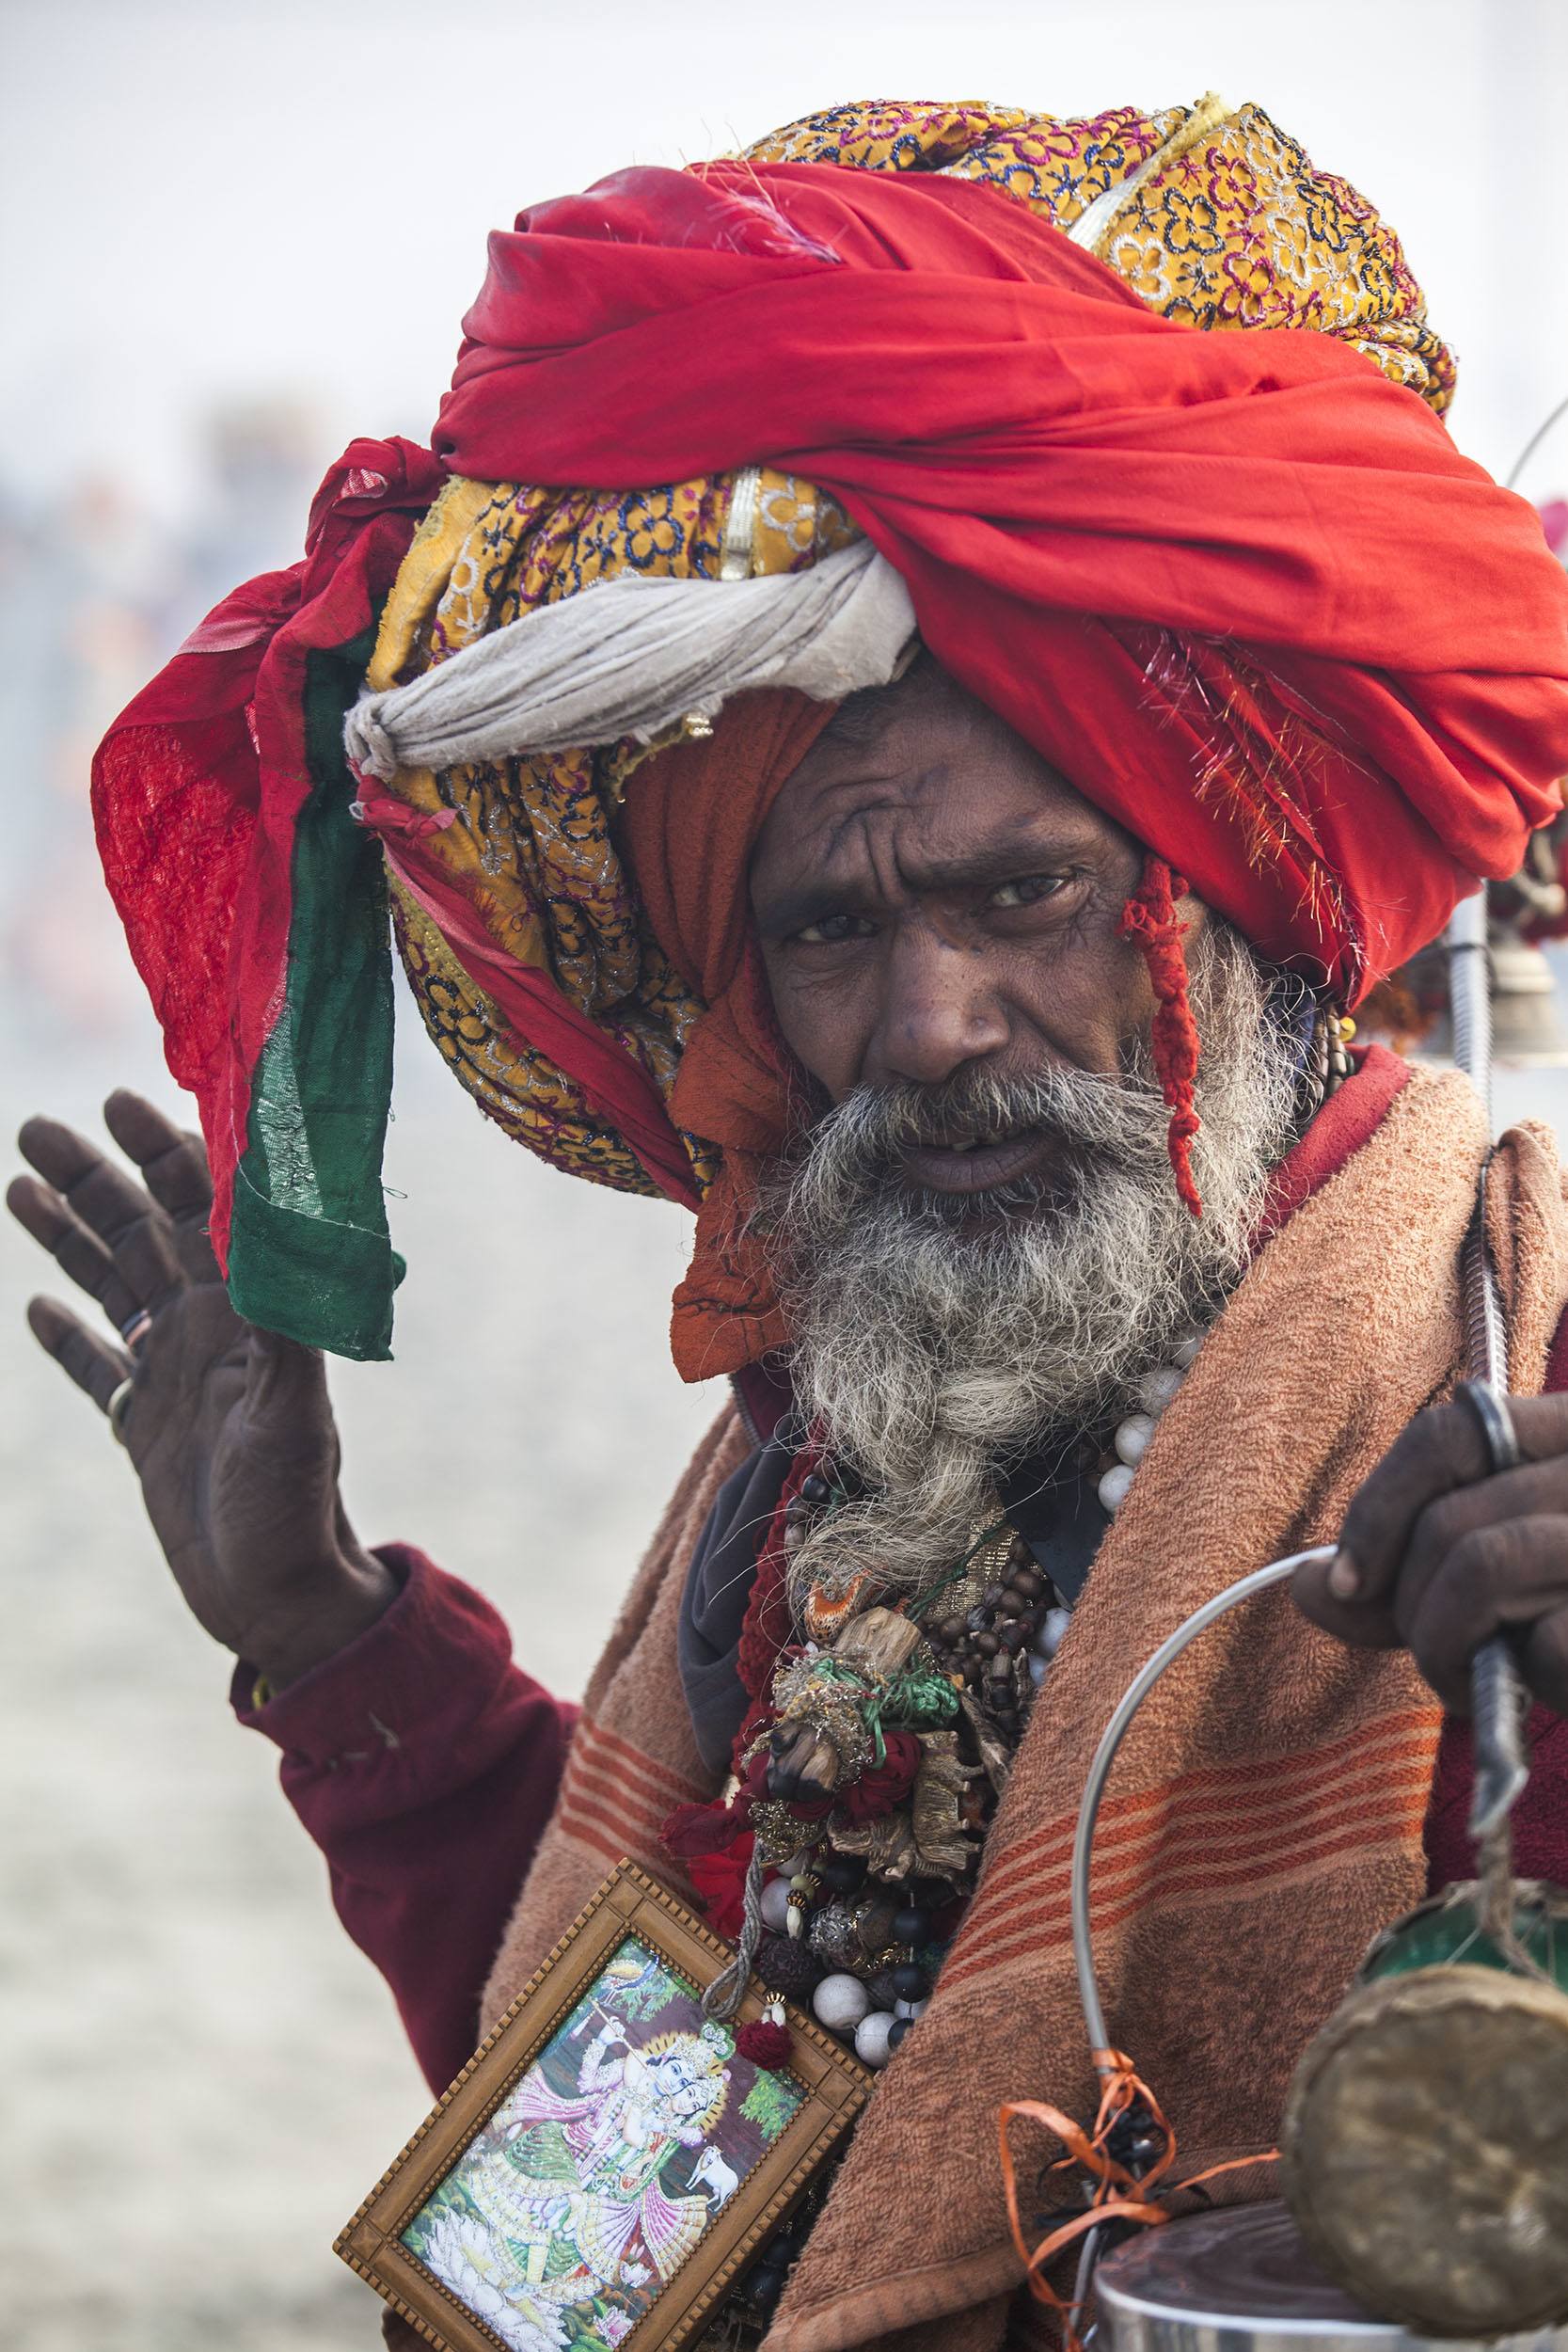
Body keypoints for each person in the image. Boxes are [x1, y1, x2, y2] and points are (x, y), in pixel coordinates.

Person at [13, 92, 1568, 2352]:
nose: (930, 1022)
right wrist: (332, 1634)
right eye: (830, 930)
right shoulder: (847, 1445)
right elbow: (648, 2208)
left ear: (1218, 885)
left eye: (1021, 894)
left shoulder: (1508, 1354)